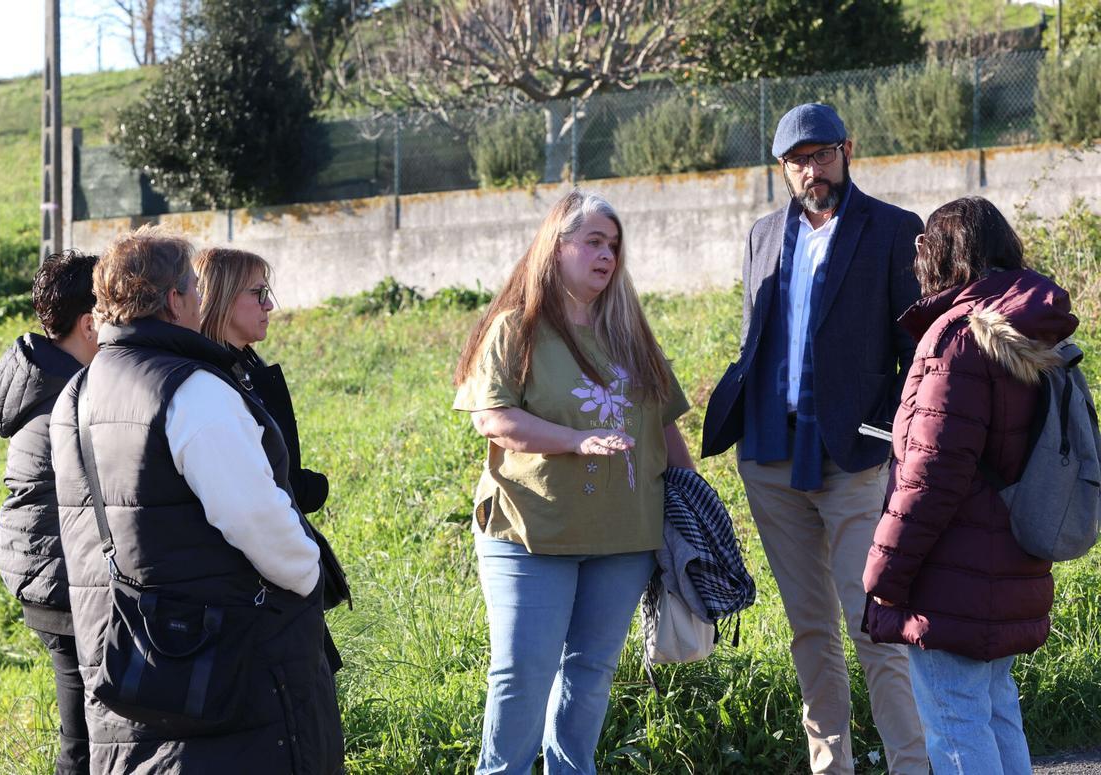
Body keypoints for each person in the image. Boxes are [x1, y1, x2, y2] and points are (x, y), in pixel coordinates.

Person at [48, 225, 343, 773]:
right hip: (223, 666)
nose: (201, 300)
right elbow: (258, 519)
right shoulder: (189, 388)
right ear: (177, 299)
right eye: (194, 288)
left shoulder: (77, 391)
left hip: (126, 654)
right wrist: (308, 572)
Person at [700, 103, 928, 774]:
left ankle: (913, 763)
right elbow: (754, 338)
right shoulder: (762, 236)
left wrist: (882, 435)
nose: (811, 169)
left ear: (847, 150)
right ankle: (833, 765)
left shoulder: (892, 231)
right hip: (771, 457)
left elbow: (916, 355)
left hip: (855, 460)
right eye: (797, 160)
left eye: (821, 154)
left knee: (874, 625)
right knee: (809, 628)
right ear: (781, 168)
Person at [453, 190, 694, 774]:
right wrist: (575, 441)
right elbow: (493, 417)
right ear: (555, 247)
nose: (606, 255)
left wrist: (694, 504)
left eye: (613, 245)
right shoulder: (517, 327)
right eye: (592, 241)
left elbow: (663, 424)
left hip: (623, 537)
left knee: (589, 676)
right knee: (521, 673)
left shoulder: (630, 331)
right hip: (532, 531)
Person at [863, 196, 1074, 774]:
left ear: (948, 255)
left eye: (925, 246)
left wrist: (884, 572)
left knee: (955, 723)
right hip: (1010, 558)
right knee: (997, 710)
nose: (918, 257)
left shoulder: (956, 338)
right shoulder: (1029, 330)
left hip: (948, 575)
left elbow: (932, 475)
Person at [193, 246, 350, 659]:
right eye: (258, 294)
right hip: (251, 576)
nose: (270, 306)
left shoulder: (244, 365)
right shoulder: (208, 380)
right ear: (223, 298)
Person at [0, 250, 99, 775]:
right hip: (61, 581)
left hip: (41, 571)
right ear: (89, 322)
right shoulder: (68, 395)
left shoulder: (43, 377)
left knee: (88, 735)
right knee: (84, 743)